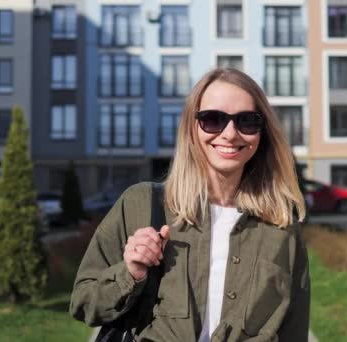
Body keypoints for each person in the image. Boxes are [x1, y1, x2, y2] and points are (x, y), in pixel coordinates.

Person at [70, 68, 310, 341]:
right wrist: (131, 272)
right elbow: (83, 303)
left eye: (247, 121)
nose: (230, 134)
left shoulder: (282, 227)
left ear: (262, 132)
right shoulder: (141, 204)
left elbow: (294, 330)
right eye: (213, 119)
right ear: (191, 128)